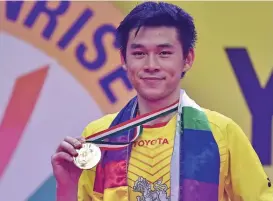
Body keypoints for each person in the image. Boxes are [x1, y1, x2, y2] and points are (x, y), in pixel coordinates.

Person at [51, 1, 273, 201]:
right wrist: (67, 187)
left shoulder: (222, 134)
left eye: (164, 53)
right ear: (124, 60)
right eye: (139, 53)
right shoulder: (100, 138)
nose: (151, 65)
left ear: (187, 59)